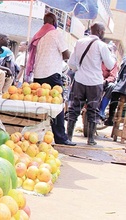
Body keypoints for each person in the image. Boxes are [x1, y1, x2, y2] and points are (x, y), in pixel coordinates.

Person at [27, 12, 75, 146]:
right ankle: (61, 138)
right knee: (57, 106)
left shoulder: (39, 36)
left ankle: (34, 135)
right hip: (52, 74)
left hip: (38, 75)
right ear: (55, 22)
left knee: (39, 106)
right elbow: (66, 54)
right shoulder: (56, 33)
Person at [67, 22, 116, 145]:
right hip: (95, 82)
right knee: (93, 110)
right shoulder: (102, 45)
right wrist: (113, 57)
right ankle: (91, 139)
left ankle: (68, 137)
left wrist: (81, 70)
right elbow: (110, 65)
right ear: (99, 31)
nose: (104, 33)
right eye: (103, 31)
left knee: (74, 109)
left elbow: (71, 63)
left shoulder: (79, 42)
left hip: (79, 80)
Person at [104, 57, 126, 126]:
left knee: (114, 94)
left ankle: (111, 118)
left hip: (121, 88)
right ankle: (113, 117)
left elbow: (120, 74)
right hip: (122, 88)